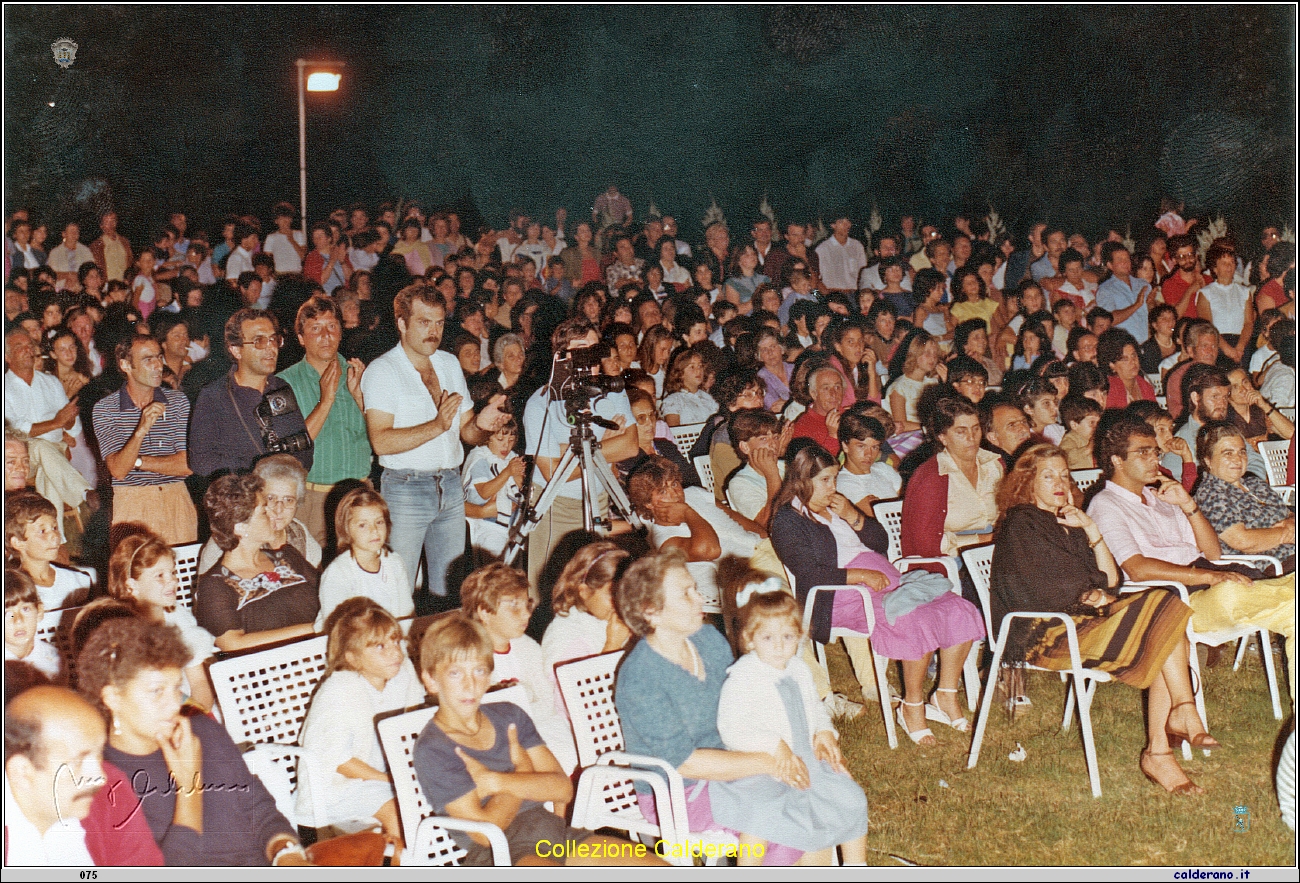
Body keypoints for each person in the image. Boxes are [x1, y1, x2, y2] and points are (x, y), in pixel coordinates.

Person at [991, 444, 1213, 793]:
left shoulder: (1067, 520)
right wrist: (1096, 597)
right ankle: (1171, 731)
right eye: (1048, 476)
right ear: (1027, 483)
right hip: (1044, 634)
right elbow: (1052, 590)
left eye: (1064, 474)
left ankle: (1167, 738)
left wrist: (1091, 529)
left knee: (1165, 619)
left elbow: (1111, 579)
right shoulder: (1023, 522)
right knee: (1163, 620)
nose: (1060, 482)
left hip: (1080, 623)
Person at [614, 549, 829, 865]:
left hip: (735, 765)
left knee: (813, 796)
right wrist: (770, 763)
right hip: (678, 791)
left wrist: (811, 734)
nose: (700, 599)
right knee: (783, 813)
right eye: (686, 594)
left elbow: (747, 704)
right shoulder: (641, 678)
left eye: (695, 589)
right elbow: (686, 764)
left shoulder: (706, 639)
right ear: (651, 612)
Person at [771, 445, 984, 745]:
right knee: (909, 615)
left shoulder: (835, 506)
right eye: (826, 481)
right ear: (802, 481)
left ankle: (945, 694)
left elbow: (880, 541)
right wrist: (859, 575)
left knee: (957, 607)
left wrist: (852, 516)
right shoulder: (788, 520)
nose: (833, 487)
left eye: (834, 478)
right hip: (840, 595)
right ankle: (912, 707)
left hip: (883, 579)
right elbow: (809, 573)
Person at [413, 613, 661, 867]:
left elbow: (562, 789)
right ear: (431, 680)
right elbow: (485, 831)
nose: (470, 685)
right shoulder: (434, 748)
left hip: (556, 837)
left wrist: (495, 781)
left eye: (479, 670)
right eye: (455, 673)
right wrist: (525, 771)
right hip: (502, 853)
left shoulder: (509, 715)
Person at [1086, 415, 1295, 699]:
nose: (1153, 459)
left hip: (1205, 583)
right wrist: (1211, 575)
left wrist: (1187, 504)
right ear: (1116, 461)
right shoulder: (1105, 504)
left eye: (1155, 451)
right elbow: (1137, 569)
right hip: (1174, 601)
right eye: (1143, 452)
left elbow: (1212, 552)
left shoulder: (1161, 495)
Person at [78, 618, 310, 865]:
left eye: (176, 688)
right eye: (157, 691)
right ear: (113, 697)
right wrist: (189, 788)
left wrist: (288, 856)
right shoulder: (103, 781)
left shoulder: (202, 731)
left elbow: (259, 810)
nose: (173, 704)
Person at [360, 283, 507, 599]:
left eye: (439, 323)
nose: (433, 331)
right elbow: (381, 442)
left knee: (449, 590)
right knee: (398, 590)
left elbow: (467, 431)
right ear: (402, 324)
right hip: (405, 489)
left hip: (451, 486)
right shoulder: (382, 371)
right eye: (424, 322)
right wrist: (438, 425)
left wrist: (484, 424)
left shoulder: (449, 363)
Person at [716, 590, 868, 865]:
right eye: (768, 638)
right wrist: (775, 745)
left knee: (850, 797)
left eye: (787, 637)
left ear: (799, 636)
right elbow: (732, 728)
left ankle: (857, 865)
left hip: (807, 759)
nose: (778, 646)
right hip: (764, 768)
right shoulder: (743, 678)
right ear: (750, 639)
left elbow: (815, 708)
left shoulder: (798, 669)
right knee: (781, 813)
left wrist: (823, 732)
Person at [522, 319, 638, 591]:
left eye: (595, 349)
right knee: (549, 589)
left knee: (594, 586)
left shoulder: (612, 391)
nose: (591, 358)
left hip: (597, 501)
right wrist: (602, 448)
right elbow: (552, 474)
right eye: (582, 349)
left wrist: (572, 451)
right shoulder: (541, 403)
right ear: (561, 357)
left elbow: (630, 446)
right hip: (555, 506)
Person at [298, 598, 424, 846]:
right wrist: (392, 778)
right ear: (353, 658)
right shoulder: (340, 690)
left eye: (395, 641)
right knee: (399, 812)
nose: (394, 652)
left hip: (381, 777)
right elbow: (339, 761)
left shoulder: (402, 672)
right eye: (379, 646)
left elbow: (414, 719)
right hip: (338, 788)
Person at [4, 684, 163, 866]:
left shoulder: (112, 792)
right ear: (22, 772)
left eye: (99, 754)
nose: (100, 777)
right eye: (78, 762)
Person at [460, 563, 577, 773]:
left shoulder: (527, 647)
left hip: (541, 731)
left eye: (527, 604)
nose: (526, 614)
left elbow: (546, 703)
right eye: (514, 605)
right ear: (485, 612)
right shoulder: (468, 657)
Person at [277, 295, 371, 546]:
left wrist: (361, 398)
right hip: (312, 499)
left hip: (358, 496)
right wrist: (326, 400)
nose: (326, 335)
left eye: (332, 326)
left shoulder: (360, 374)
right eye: (315, 328)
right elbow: (292, 449)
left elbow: (379, 440)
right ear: (300, 338)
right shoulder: (284, 383)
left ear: (341, 332)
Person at [194, 472, 319, 653]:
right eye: (263, 511)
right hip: (273, 672)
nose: (274, 513)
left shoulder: (287, 556)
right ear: (240, 528)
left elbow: (329, 592)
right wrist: (313, 628)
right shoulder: (214, 585)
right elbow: (232, 643)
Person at [93, 334, 198, 545]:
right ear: (125, 365)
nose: (158, 365)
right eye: (148, 359)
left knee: (182, 574)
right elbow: (119, 470)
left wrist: (138, 461)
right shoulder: (105, 409)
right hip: (132, 503)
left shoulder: (178, 401)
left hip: (176, 500)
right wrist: (141, 429)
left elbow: (187, 465)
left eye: (159, 357)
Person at [628, 455, 766, 612]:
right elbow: (711, 550)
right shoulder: (664, 540)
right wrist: (688, 513)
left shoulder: (694, 493)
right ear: (648, 503)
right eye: (663, 491)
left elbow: (738, 519)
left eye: (674, 484)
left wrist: (768, 538)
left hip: (764, 548)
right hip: (751, 569)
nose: (674, 493)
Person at [189, 308, 313, 479]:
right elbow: (201, 461)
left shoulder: (281, 388)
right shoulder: (214, 396)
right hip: (239, 498)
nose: (271, 348)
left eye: (273, 340)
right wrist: (258, 470)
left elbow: (305, 450)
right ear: (236, 350)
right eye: (259, 341)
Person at [107, 532, 217, 713]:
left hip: (189, 708)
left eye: (172, 572)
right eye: (159, 575)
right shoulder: (121, 630)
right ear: (131, 585)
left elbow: (199, 683)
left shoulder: (177, 617)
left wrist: (197, 719)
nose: (172, 580)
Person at [903, 395, 1004, 561]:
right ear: (943, 437)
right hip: (952, 558)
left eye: (976, 429)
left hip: (994, 548)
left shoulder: (994, 464)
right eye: (961, 432)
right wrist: (984, 540)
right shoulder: (932, 478)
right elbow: (926, 545)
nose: (971, 438)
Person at [1194, 422, 1295, 574]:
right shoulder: (1211, 494)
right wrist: (1287, 535)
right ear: (1208, 460)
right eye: (1228, 453)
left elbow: (1288, 513)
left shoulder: (1254, 483)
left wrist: (1291, 522)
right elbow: (1242, 541)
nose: (1238, 459)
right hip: (1269, 566)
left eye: (1241, 452)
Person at [5, 327, 96, 487]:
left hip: (57, 450)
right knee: (42, 448)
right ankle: (84, 494)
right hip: (24, 455)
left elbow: (72, 430)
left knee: (48, 477)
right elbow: (14, 429)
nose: (27, 350)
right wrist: (56, 423)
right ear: (7, 357)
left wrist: (68, 419)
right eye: (20, 347)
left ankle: (68, 508)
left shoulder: (51, 382)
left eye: (30, 346)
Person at [315, 487, 412, 629]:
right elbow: (337, 630)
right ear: (346, 529)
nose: (374, 530)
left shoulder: (394, 563)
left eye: (379, 522)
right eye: (362, 525)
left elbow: (406, 615)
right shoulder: (338, 573)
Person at [541, 542, 633, 687]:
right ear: (584, 591)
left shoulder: (609, 620)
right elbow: (581, 699)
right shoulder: (567, 635)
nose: (622, 602)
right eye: (611, 593)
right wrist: (612, 645)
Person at [5, 491, 91, 610]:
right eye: (42, 531)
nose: (55, 536)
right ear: (18, 542)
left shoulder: (79, 581)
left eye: (54, 528)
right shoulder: (12, 591)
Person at [836, 411, 902, 509]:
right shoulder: (844, 482)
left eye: (874, 447)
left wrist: (880, 504)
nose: (869, 454)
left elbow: (910, 502)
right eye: (861, 446)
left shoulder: (884, 468)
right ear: (845, 446)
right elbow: (878, 517)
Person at [5, 568, 61, 679]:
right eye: (7, 613)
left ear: (39, 611)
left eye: (25, 609)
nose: (18, 620)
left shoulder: (54, 658)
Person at [885, 329, 944, 433]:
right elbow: (901, 424)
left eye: (935, 354)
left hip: (931, 432)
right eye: (927, 353)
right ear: (915, 354)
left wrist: (946, 383)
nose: (933, 358)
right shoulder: (899, 387)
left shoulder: (932, 383)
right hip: (909, 436)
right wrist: (930, 427)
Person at [1095, 243, 1155, 344]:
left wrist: (1151, 304)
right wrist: (1137, 305)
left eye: (1127, 259)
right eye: (1119, 260)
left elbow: (1152, 312)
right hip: (1125, 346)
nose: (1125, 263)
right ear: (1110, 265)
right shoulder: (1105, 289)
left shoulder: (1142, 284)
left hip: (1148, 344)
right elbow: (1109, 320)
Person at [661, 349, 718, 426]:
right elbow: (674, 432)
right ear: (681, 373)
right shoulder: (673, 400)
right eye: (692, 367)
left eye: (700, 366)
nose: (698, 371)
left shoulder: (708, 398)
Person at [1058, 395, 1103, 469]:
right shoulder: (1071, 439)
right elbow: (1065, 457)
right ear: (1074, 425)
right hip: (1079, 479)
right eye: (1092, 422)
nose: (1096, 427)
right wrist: (1087, 449)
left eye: (1099, 423)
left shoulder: (1097, 440)